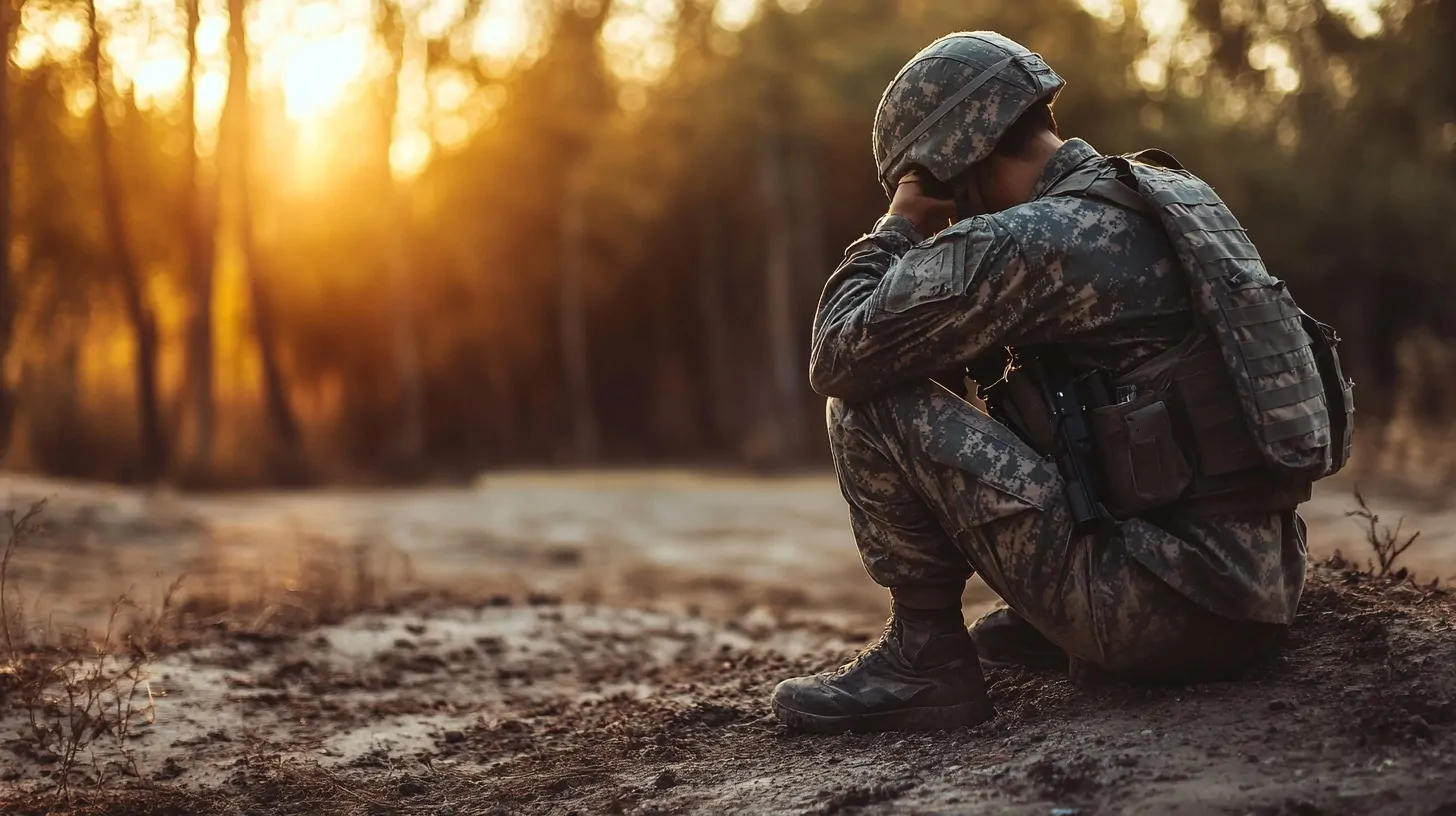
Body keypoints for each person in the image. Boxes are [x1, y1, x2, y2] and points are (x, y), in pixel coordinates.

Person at [770, 31, 1353, 734]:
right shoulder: (1168, 193)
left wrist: (896, 227)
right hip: (1258, 589)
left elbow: (837, 350)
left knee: (865, 400)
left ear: (952, 163)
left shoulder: (1023, 242)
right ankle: (1075, 612)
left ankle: (926, 661)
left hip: (1160, 616)